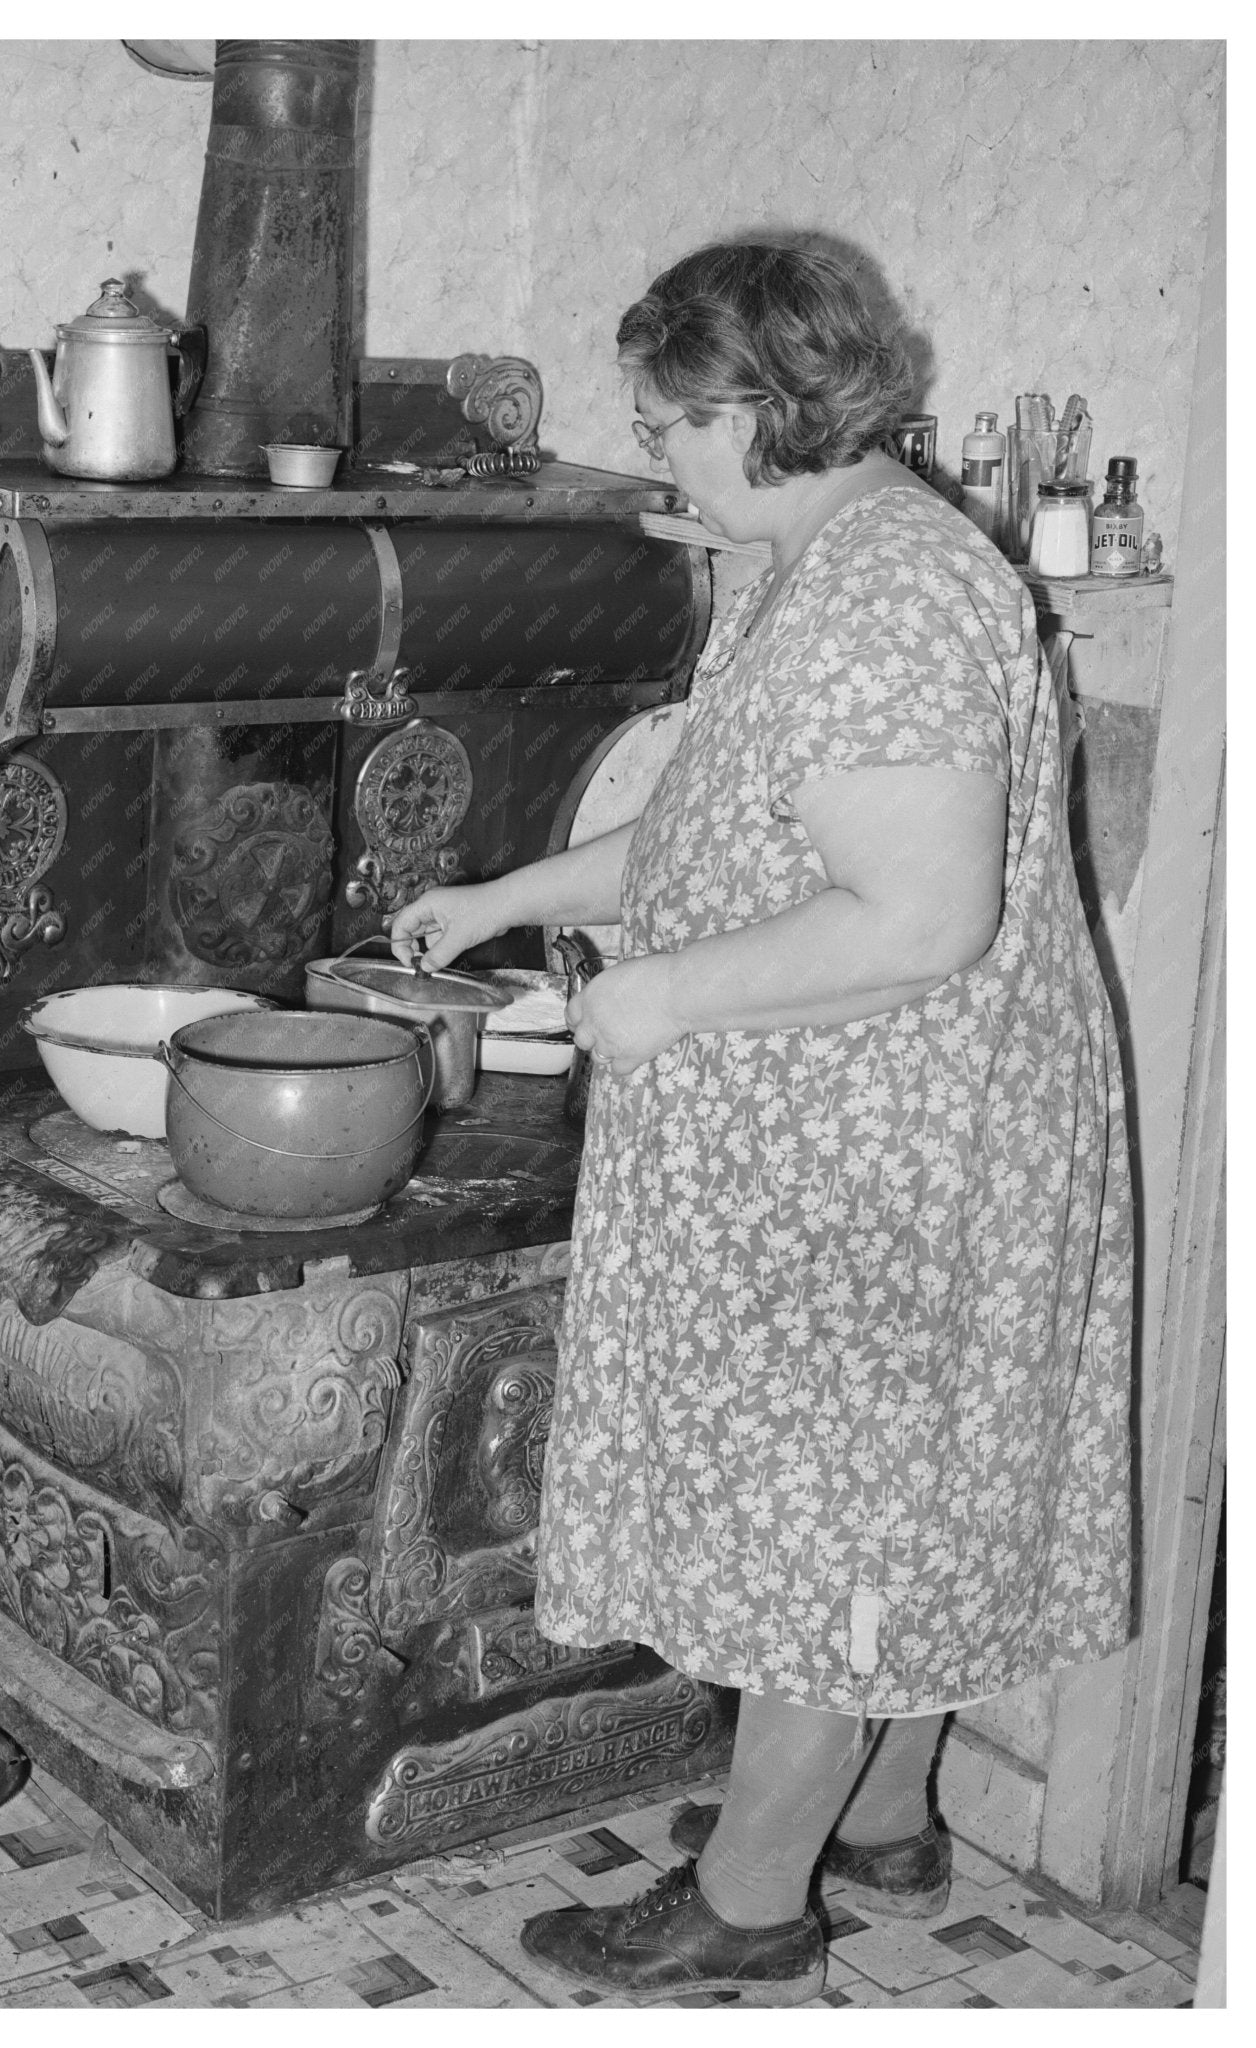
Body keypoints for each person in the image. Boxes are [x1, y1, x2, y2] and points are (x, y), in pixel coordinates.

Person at [387, 238, 1132, 2007]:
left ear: (751, 410)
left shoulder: (895, 598)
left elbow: (922, 919)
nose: (659, 459)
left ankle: (747, 1906)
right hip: (848, 1127)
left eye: (666, 426)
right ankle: (877, 1822)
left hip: (893, 1148)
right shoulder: (810, 565)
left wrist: (656, 1000)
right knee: (884, 1496)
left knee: (835, 1516)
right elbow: (716, 828)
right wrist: (506, 898)